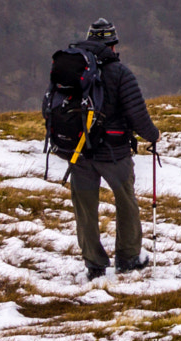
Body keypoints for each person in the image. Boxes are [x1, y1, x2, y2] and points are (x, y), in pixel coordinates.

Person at [68, 18, 161, 279]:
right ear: (112, 43)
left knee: (85, 208)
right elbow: (137, 115)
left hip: (79, 152)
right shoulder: (121, 73)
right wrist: (153, 135)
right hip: (113, 152)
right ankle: (128, 257)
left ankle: (94, 264)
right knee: (126, 202)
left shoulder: (73, 69)